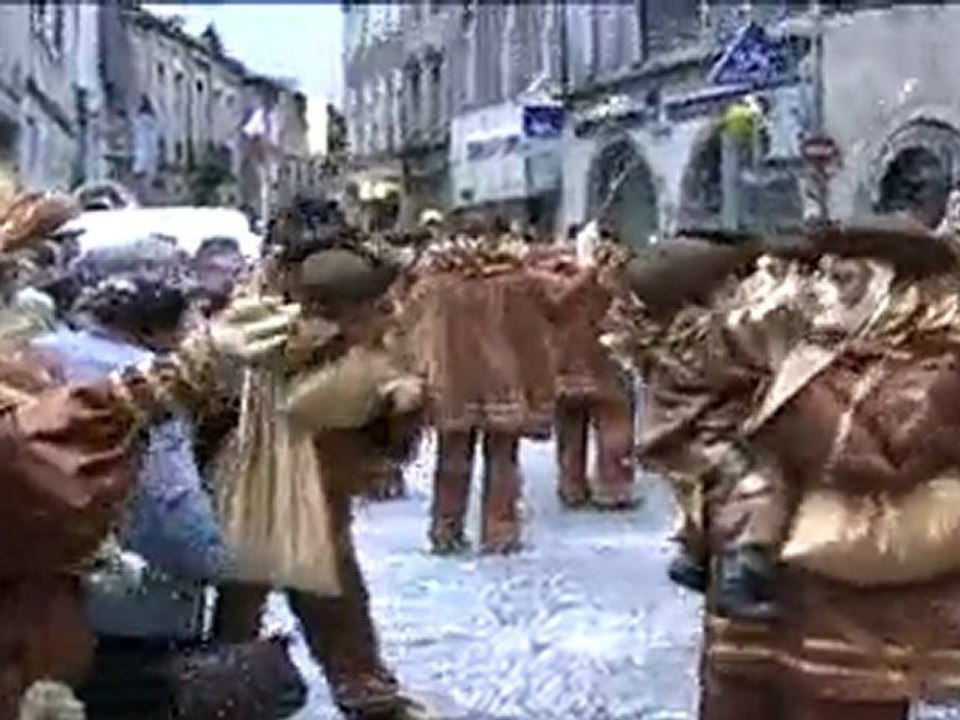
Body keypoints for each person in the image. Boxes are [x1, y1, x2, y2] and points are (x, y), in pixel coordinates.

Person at [609, 217, 960, 719]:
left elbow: (875, 458)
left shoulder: (934, 367)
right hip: (747, 629)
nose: (822, 292)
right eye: (820, 275)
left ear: (898, 288)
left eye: (845, 279)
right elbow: (690, 402)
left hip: (849, 637)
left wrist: (790, 390)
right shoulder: (792, 339)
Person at [211, 203, 433, 720]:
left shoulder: (257, 308)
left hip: (284, 482)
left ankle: (354, 687)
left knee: (267, 594)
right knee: (300, 592)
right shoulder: (282, 325)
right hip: (276, 480)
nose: (389, 316)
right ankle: (356, 689)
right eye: (375, 308)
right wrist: (392, 397)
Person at [401, 216, 594, 554]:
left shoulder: (434, 282)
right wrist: (589, 266)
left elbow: (406, 323)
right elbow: (564, 303)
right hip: (506, 380)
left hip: (452, 381)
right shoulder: (520, 280)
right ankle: (500, 532)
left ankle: (446, 529)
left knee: (451, 459)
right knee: (503, 458)